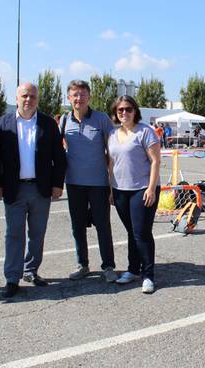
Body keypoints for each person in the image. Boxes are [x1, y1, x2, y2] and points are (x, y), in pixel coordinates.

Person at [0, 82, 67, 299]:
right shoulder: (2, 124)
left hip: (40, 189)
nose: (28, 100)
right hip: (13, 189)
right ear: (16, 98)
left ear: (37, 99)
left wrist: (57, 184)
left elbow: (59, 157)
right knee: (14, 234)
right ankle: (11, 279)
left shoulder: (48, 124)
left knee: (37, 234)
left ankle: (31, 270)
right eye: (24, 95)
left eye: (32, 96)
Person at [60, 80, 117, 282]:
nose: (79, 98)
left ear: (89, 97)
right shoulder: (65, 121)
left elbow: (112, 152)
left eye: (83, 94)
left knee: (103, 226)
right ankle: (82, 264)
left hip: (99, 184)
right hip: (74, 184)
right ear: (69, 98)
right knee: (77, 226)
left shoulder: (101, 119)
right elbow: (58, 152)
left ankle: (108, 266)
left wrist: (112, 185)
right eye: (75, 94)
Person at [108, 95, 161, 294]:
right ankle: (133, 270)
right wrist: (111, 189)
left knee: (142, 233)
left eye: (128, 109)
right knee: (132, 232)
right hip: (120, 191)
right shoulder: (112, 135)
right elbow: (111, 163)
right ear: (115, 112)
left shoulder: (145, 131)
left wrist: (150, 188)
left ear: (135, 111)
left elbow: (155, 161)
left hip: (142, 189)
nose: (124, 113)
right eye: (120, 109)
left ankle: (148, 275)